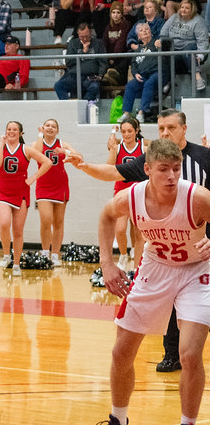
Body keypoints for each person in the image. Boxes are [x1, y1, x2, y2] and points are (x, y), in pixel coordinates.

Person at [65, 108, 210, 374]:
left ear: (184, 129)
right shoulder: (149, 160)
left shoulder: (204, 157)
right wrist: (83, 166)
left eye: (171, 128)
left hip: (202, 246)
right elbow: (114, 172)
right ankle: (171, 354)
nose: (165, 133)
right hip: (165, 249)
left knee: (197, 315)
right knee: (167, 304)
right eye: (161, 128)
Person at [97, 138, 210, 425]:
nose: (171, 176)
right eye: (163, 169)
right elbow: (107, 215)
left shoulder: (196, 197)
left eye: (176, 169)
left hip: (197, 271)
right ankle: (118, 419)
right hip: (156, 267)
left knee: (189, 354)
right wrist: (107, 263)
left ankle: (188, 422)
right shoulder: (131, 197)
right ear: (147, 169)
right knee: (121, 351)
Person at [0, 120, 52, 275]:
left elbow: (47, 162)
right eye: (8, 129)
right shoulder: (1, 148)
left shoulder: (26, 149)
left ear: (20, 133)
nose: (11, 132)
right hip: (3, 192)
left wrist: (33, 178)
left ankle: (17, 264)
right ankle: (6, 254)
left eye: (14, 129)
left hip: (21, 193)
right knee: (5, 223)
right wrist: (1, 144)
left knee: (18, 231)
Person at [33, 118, 76, 266]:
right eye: (47, 126)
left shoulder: (63, 144)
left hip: (61, 186)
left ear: (57, 131)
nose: (50, 128)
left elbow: (79, 156)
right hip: (43, 186)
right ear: (43, 128)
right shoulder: (37, 143)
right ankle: (45, 252)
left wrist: (65, 151)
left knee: (58, 222)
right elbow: (37, 153)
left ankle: (55, 254)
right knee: (46, 219)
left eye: (53, 126)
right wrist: (40, 135)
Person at [106, 117, 147, 264]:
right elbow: (109, 167)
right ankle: (123, 255)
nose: (127, 134)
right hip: (121, 193)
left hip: (139, 194)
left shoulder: (144, 148)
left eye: (130, 131)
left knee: (138, 232)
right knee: (120, 229)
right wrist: (111, 148)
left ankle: (137, 265)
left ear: (136, 131)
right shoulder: (117, 148)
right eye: (123, 131)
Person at [158, 0, 209, 92]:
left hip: (190, 49)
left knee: (189, 50)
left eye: (187, 8)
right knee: (165, 54)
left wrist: (200, 56)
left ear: (192, 10)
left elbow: (203, 41)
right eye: (182, 7)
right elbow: (163, 33)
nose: (183, 10)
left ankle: (198, 77)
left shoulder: (198, 21)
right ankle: (167, 82)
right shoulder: (174, 17)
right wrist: (159, 41)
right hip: (174, 49)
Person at [54, 23, 107, 102]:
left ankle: (83, 106)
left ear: (90, 33)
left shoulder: (98, 43)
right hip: (74, 76)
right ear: (78, 34)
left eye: (87, 36)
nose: (85, 39)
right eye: (82, 37)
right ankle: (70, 106)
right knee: (58, 86)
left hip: (90, 77)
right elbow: (68, 62)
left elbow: (103, 62)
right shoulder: (73, 43)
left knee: (94, 87)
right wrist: (82, 52)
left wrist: (100, 75)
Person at [121, 23, 162, 122]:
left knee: (149, 83)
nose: (145, 31)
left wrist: (160, 44)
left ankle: (141, 113)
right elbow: (134, 64)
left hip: (156, 73)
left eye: (147, 29)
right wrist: (135, 73)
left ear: (151, 32)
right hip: (142, 75)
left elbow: (165, 45)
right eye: (141, 30)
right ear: (138, 36)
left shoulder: (156, 43)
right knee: (130, 85)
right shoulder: (138, 50)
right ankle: (126, 113)